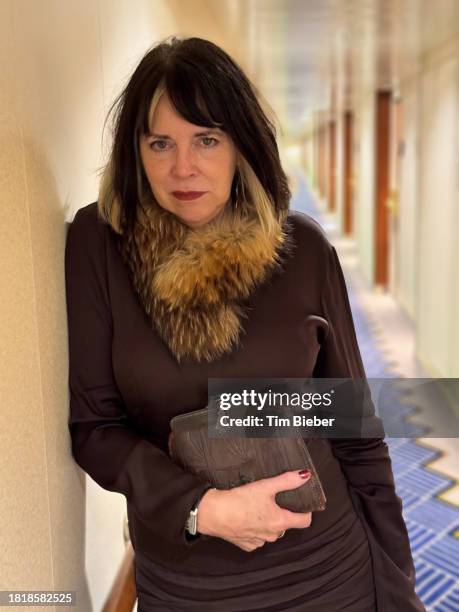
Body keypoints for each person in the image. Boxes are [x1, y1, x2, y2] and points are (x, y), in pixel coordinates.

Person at [64, 36, 426, 611]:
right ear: (135, 153)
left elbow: (355, 428)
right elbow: (94, 428)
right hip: (192, 582)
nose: (183, 167)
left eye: (206, 139)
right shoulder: (99, 246)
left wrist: (398, 578)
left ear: (240, 145)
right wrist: (202, 507)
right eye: (160, 143)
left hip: (328, 568)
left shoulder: (301, 249)